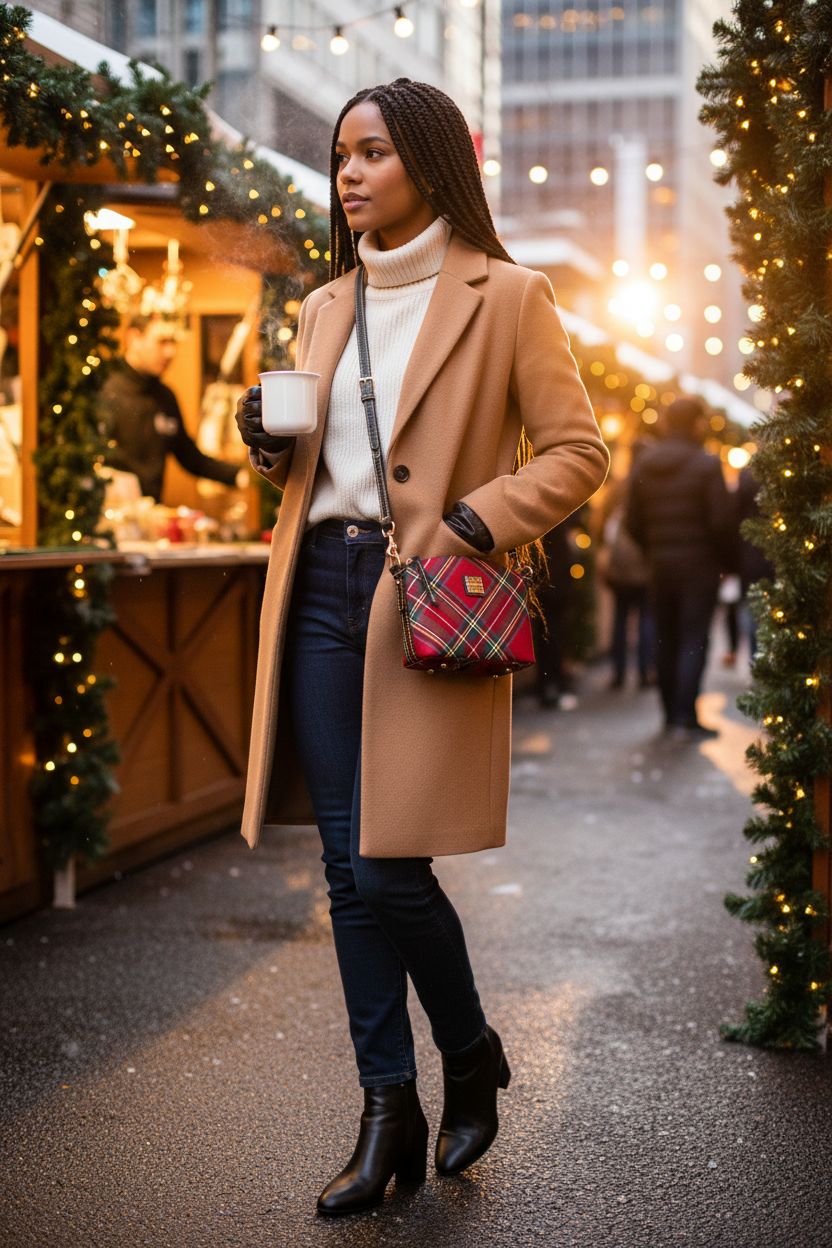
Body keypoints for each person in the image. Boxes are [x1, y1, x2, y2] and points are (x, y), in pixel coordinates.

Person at [234, 78, 609, 1217]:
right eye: (341, 156)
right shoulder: (322, 305)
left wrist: (472, 519)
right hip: (318, 592)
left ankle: (469, 1048)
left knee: (391, 863)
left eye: (373, 154)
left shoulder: (510, 296)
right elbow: (318, 464)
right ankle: (386, 1107)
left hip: (426, 593)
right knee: (348, 871)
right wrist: (260, 443)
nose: (348, 174)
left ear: (429, 166)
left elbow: (577, 453)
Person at [626, 396, 732, 740]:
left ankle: (670, 715)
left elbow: (632, 521)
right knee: (692, 638)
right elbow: (720, 522)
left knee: (665, 637)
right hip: (699, 567)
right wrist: (723, 561)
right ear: (696, 423)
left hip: (659, 565)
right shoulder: (706, 464)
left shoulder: (644, 464)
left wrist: (653, 548)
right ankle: (686, 715)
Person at [98, 313, 246, 501]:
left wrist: (239, 476)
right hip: (106, 518)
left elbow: (190, 457)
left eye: (173, 343)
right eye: (162, 341)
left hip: (150, 516)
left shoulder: (165, 397)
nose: (171, 352)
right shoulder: (103, 388)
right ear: (134, 338)